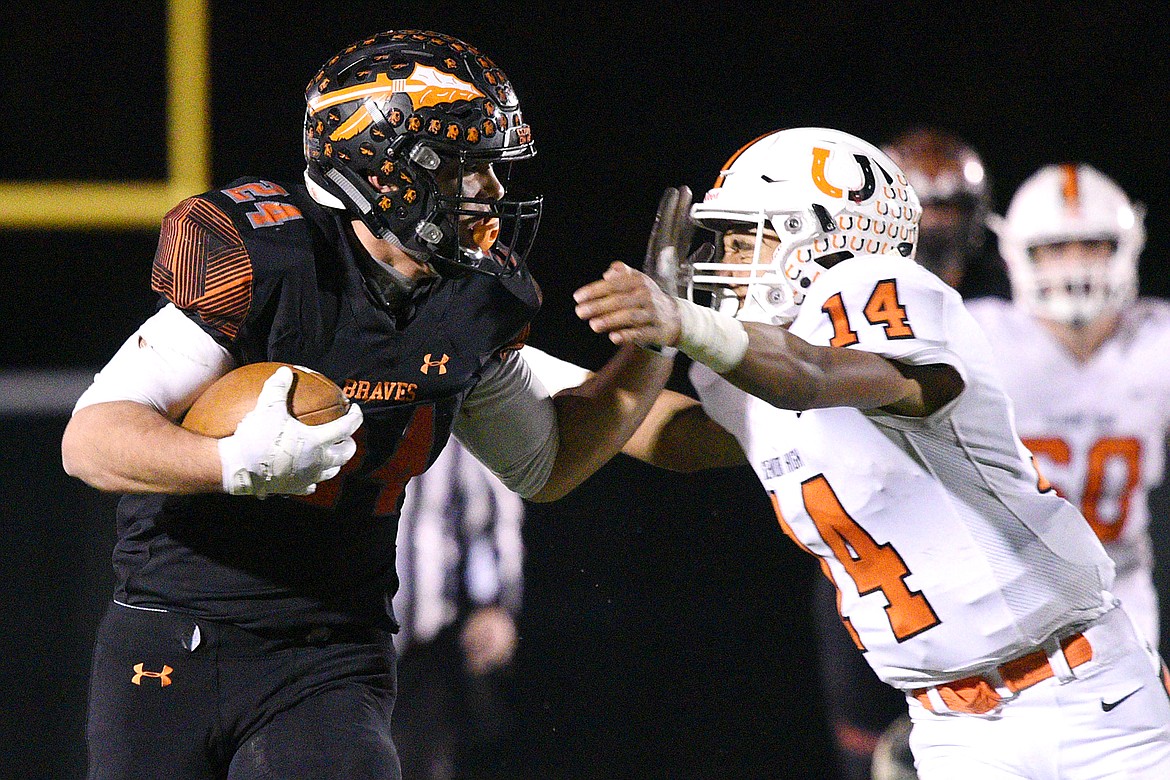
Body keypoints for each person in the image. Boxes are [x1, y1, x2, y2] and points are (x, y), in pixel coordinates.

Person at [60, 30, 674, 780]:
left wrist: (656, 344)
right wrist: (229, 461)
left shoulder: (474, 296)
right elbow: (90, 439)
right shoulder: (268, 260)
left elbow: (543, 464)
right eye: (464, 166)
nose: (491, 192)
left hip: (330, 650)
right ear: (383, 167)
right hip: (171, 629)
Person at [571, 126, 1170, 778]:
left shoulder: (888, 298)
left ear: (819, 237)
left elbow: (814, 374)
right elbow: (677, 438)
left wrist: (685, 324)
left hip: (1084, 696)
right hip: (950, 726)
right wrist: (506, 376)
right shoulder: (757, 362)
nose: (725, 260)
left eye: (747, 239)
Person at [809, 127, 1004, 779]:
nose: (940, 224)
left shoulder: (1011, 308)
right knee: (874, 759)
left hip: (988, 566)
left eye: (952, 207)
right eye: (928, 206)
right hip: (877, 558)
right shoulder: (839, 302)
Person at [971, 162, 1169, 652]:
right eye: (1055, 248)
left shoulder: (1157, 341)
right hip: (1001, 590)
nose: (1075, 263)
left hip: (1120, 593)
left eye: (1092, 244)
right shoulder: (975, 339)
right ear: (1018, 254)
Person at [391, 437, 525, 780]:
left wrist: (492, 602)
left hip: (424, 642)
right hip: (332, 634)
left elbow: (486, 508)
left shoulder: (445, 409)